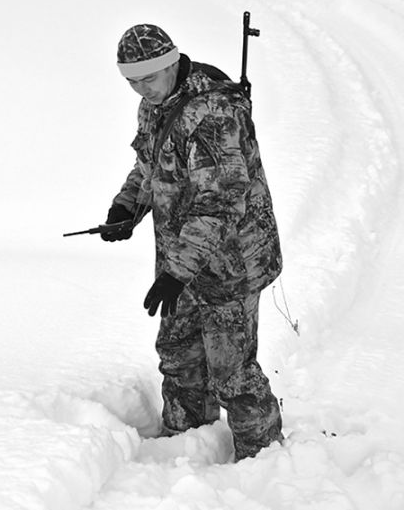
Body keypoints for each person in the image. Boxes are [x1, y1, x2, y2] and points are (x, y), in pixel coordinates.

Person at [101, 23, 283, 461]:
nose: (140, 89)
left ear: (170, 64)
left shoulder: (213, 114)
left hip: (231, 263)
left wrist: (175, 273)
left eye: (148, 78)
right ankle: (186, 446)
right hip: (183, 259)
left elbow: (219, 204)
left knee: (231, 371)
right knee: (179, 355)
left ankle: (262, 460)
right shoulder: (157, 104)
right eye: (131, 81)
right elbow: (151, 163)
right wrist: (127, 208)